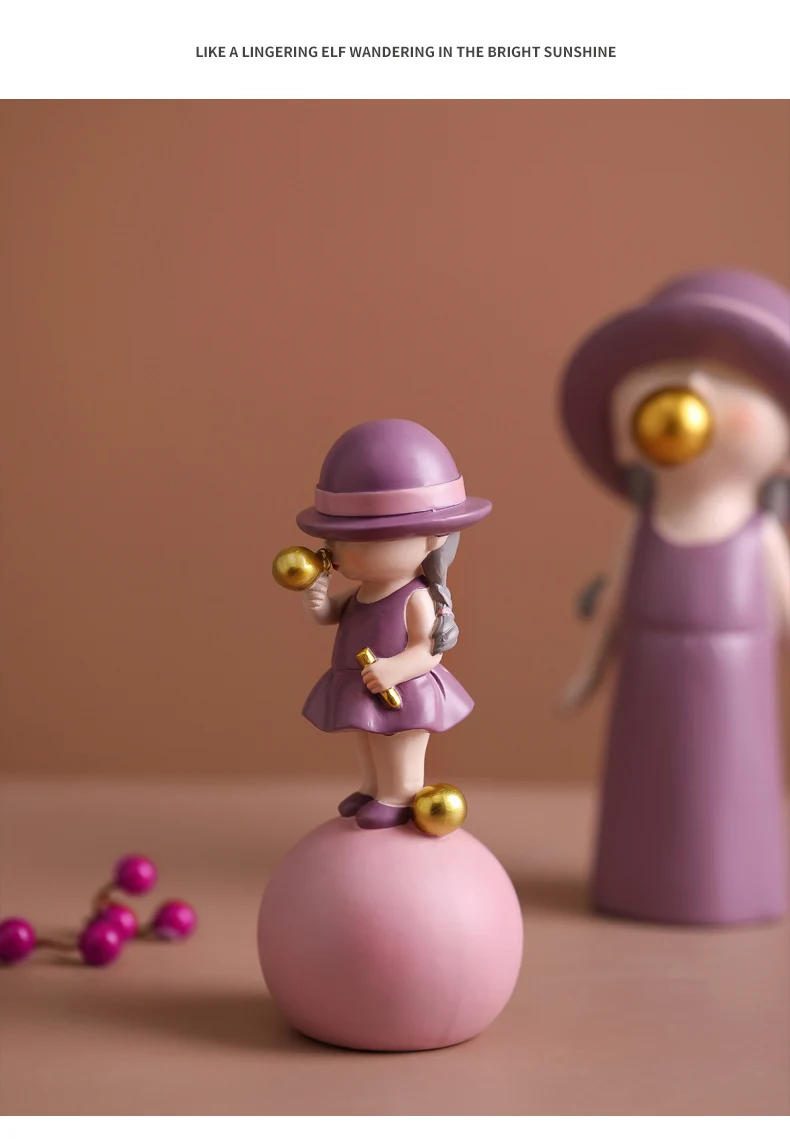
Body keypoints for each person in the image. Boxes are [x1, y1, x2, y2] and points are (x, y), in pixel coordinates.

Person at [559, 268, 790, 924]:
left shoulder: (760, 536)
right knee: (650, 784)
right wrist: (588, 671)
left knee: (728, 785)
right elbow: (612, 606)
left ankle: (735, 887)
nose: (690, 392)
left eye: (726, 378)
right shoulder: (644, 529)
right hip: (650, 677)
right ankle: (638, 883)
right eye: (666, 373)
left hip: (736, 683)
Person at [294, 418, 491, 829]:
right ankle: (372, 787)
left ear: (433, 538)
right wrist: (317, 601)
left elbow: (428, 650)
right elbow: (331, 615)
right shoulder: (362, 592)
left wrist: (393, 670)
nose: (338, 552)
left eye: (364, 541)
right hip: (364, 685)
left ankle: (399, 794)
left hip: (403, 692)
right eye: (335, 541)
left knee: (398, 745)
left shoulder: (416, 598)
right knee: (367, 739)